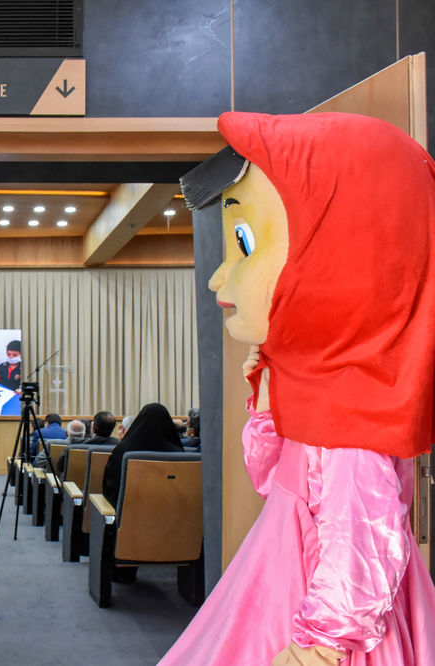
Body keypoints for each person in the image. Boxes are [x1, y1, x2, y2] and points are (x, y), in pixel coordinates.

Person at [162, 112, 435, 665]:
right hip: (281, 586)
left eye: (244, 243)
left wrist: (319, 647)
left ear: (341, 256)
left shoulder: (352, 413)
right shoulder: (324, 395)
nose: (218, 277)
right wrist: (268, 403)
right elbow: (274, 481)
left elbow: (363, 542)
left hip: (319, 623)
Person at [102, 403, 183, 505]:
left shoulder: (122, 451)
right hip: (173, 511)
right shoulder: (180, 455)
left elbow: (110, 488)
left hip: (129, 511)